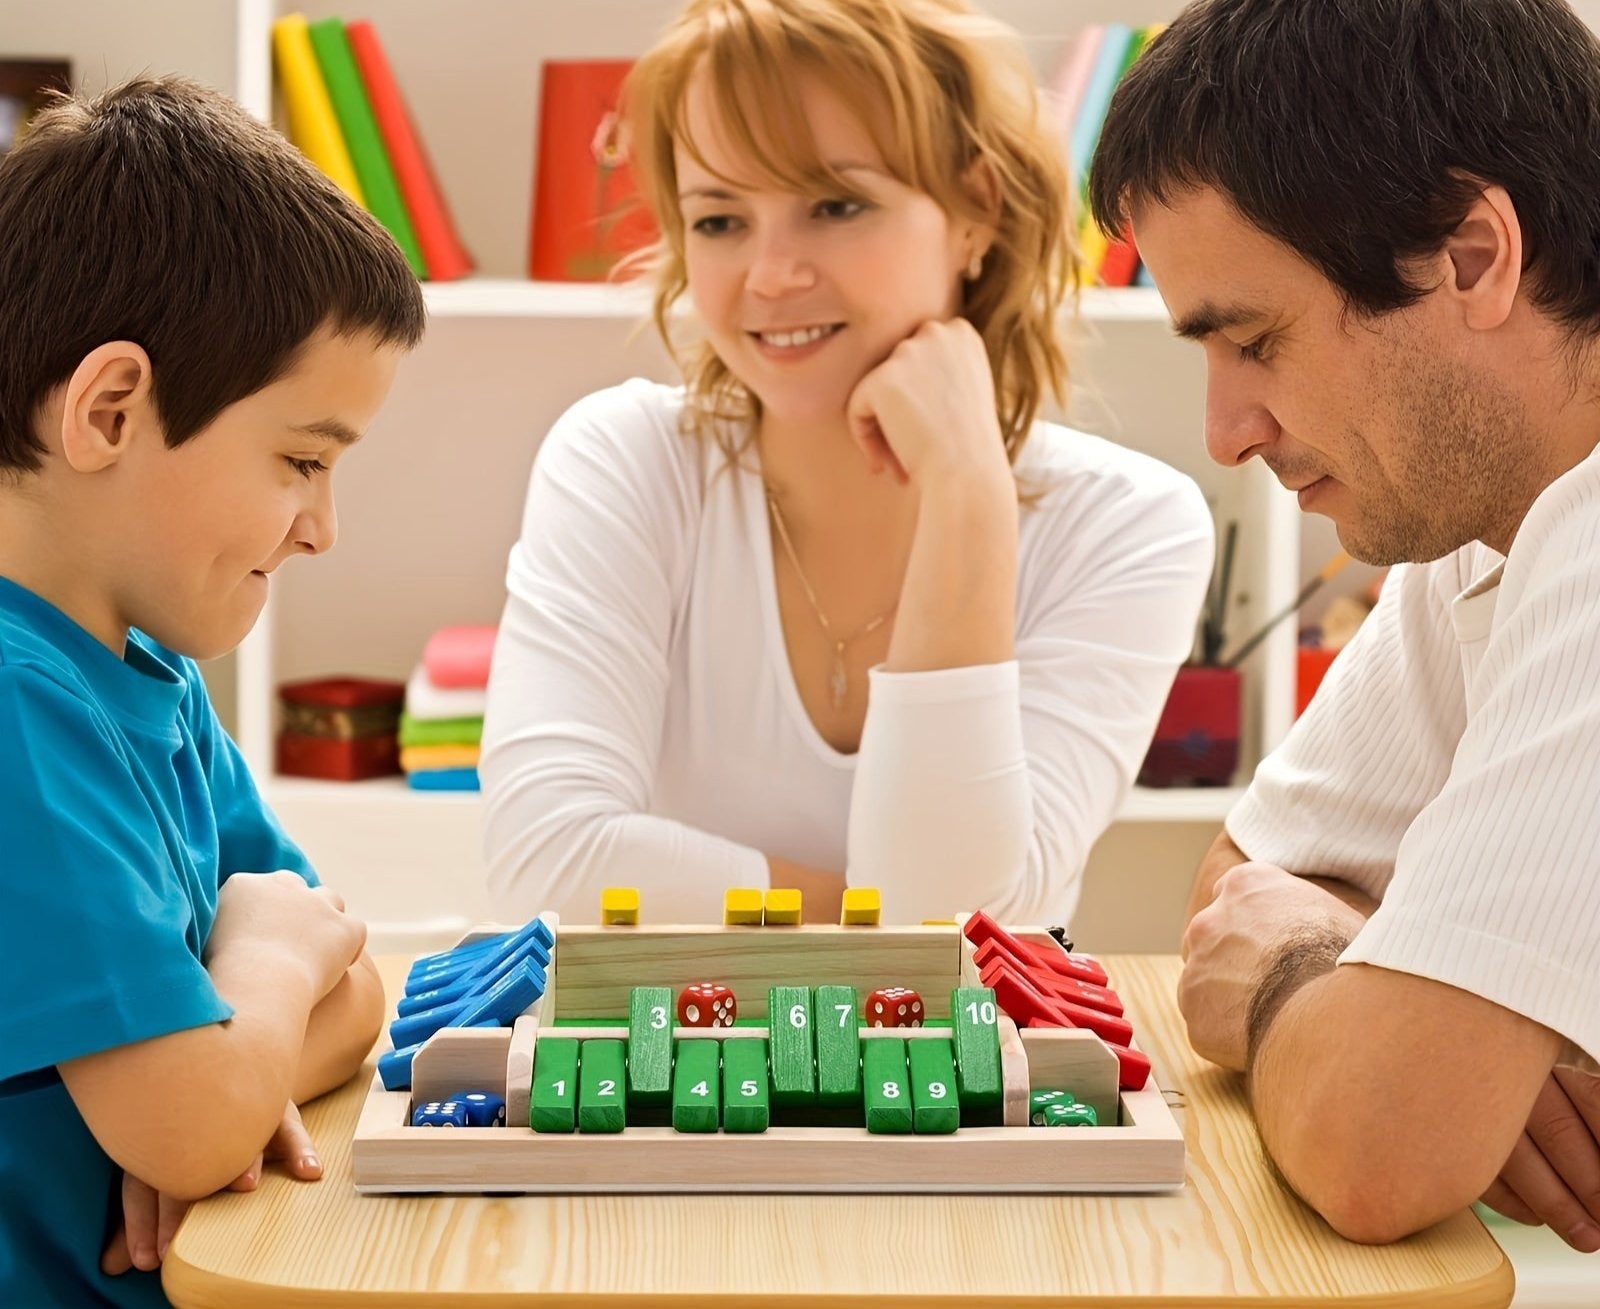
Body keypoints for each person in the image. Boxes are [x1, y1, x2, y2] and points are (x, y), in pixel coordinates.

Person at [480, 0, 1214, 928]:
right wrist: (883, 918)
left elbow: (960, 911)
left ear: (974, 212)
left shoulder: (1129, 523)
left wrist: (969, 497)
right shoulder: (628, 461)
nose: (771, 274)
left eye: (835, 205)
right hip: (672, 1061)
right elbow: (543, 862)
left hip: (958, 1075)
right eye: (719, 221)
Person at [1090, 0, 1600, 1252]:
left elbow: (1379, 1147)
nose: (1224, 433)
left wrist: (1340, 1001)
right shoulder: (1480, 513)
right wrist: (1368, 991)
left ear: (1472, 256)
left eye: (1254, 339)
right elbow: (1235, 892)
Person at [0, 76, 425, 1306]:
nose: (322, 528)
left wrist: (242, 1057)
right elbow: (199, 1115)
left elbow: (354, 979)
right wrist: (235, 1051)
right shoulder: (22, 713)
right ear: (112, 409)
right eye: (302, 459)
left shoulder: (153, 678)